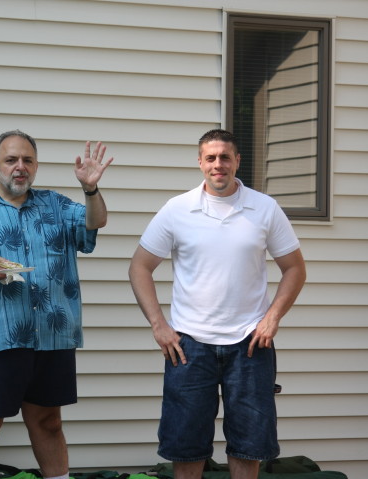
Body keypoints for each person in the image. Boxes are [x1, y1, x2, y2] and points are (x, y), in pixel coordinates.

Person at [128, 129, 306, 479]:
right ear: (200, 162)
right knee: (186, 446)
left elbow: (295, 269)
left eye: (225, 157)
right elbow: (139, 267)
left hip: (250, 343)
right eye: (210, 157)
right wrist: (158, 325)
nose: (218, 164)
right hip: (189, 346)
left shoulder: (264, 208)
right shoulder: (177, 209)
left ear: (237, 161)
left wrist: (272, 318)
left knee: (249, 446)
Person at [0, 130, 114, 479]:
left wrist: (91, 189)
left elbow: (94, 223)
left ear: (35, 166)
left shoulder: (56, 205)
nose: (20, 167)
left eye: (27, 160)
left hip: (50, 334)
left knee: (49, 422)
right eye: (11, 160)